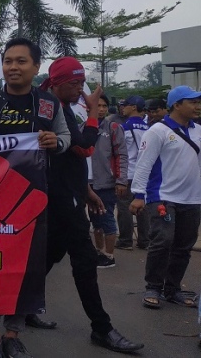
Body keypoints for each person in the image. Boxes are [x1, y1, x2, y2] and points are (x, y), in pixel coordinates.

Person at [0, 38, 70, 358]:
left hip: (31, 203)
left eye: (21, 61)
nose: (13, 67)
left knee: (27, 268)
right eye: (8, 61)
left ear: (35, 66)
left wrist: (53, 141)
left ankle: (13, 334)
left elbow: (65, 138)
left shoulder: (48, 104)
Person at [39, 56, 143, 354]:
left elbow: (69, 157)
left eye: (83, 83)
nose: (80, 88)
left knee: (47, 258)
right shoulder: (50, 107)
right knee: (84, 262)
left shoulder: (63, 107)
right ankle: (102, 328)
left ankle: (22, 307)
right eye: (74, 83)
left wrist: (86, 191)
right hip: (59, 200)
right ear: (57, 82)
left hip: (70, 195)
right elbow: (83, 146)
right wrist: (94, 110)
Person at [131, 86, 201, 310]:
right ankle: (153, 287)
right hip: (163, 197)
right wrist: (138, 195)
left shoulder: (198, 131)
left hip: (192, 199)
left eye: (198, 102)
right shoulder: (158, 131)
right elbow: (144, 164)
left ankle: (173, 289)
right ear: (177, 104)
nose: (197, 106)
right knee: (162, 241)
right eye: (192, 102)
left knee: (183, 246)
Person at [89, 95, 129, 268]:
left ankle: (109, 255)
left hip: (107, 182)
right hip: (89, 183)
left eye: (105, 106)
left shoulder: (113, 127)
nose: (102, 109)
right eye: (98, 105)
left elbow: (121, 155)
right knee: (95, 219)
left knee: (106, 218)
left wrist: (121, 180)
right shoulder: (82, 127)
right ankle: (99, 252)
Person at [117, 95, 150, 250]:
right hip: (144, 174)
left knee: (124, 207)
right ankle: (145, 240)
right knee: (143, 208)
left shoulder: (123, 128)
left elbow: (119, 150)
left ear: (134, 107)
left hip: (128, 173)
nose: (123, 108)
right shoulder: (149, 128)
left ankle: (125, 240)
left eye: (126, 105)